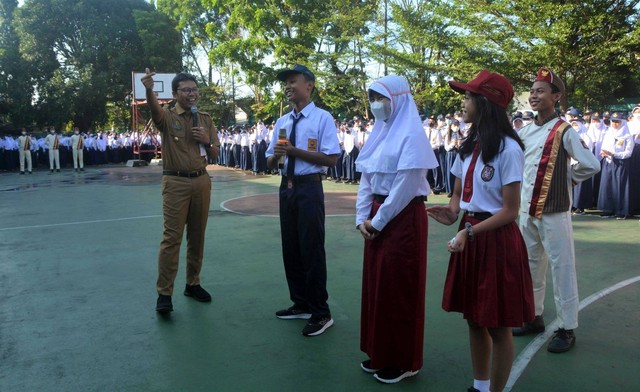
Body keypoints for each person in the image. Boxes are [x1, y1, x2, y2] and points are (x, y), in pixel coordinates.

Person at [428, 70, 534, 392]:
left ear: (484, 103)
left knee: (498, 326)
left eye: (468, 97)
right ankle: (480, 385)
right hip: (470, 235)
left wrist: (468, 233)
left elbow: (510, 210)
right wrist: (449, 214)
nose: (463, 103)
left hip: (495, 240)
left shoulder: (508, 149)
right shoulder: (468, 146)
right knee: (474, 318)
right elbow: (458, 200)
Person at [356, 75, 438, 384]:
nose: (376, 104)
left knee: (400, 287)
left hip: (402, 217)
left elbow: (405, 187)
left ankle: (404, 360)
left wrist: (375, 221)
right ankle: (380, 351)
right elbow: (367, 179)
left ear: (398, 98)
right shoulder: (380, 133)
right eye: (372, 98)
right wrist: (360, 218)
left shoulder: (411, 135)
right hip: (378, 215)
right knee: (378, 285)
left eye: (381, 98)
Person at [514, 68, 600, 353]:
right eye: (533, 90)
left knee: (561, 268)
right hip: (526, 210)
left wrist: (568, 179)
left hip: (553, 210)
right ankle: (533, 316)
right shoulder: (525, 131)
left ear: (556, 96)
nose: (535, 95)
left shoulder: (564, 131)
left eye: (541, 90)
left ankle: (567, 327)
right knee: (530, 264)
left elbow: (591, 164)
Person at [266, 64, 340, 337]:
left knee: (311, 248)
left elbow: (331, 159)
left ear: (309, 85)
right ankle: (301, 303)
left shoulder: (322, 118)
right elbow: (270, 160)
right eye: (285, 83)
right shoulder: (283, 122)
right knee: (291, 247)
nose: (287, 86)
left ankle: (321, 311)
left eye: (292, 81)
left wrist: (294, 151)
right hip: (286, 188)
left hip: (309, 189)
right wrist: (276, 156)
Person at [141, 68, 221, 314]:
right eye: (186, 90)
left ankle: (193, 283)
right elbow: (155, 111)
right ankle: (164, 293)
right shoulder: (167, 117)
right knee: (171, 239)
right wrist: (149, 89)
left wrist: (207, 140)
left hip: (201, 181)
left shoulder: (205, 119)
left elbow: (216, 153)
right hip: (175, 183)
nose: (192, 94)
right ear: (175, 94)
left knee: (197, 237)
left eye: (195, 89)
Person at [597, 112, 634, 219]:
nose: (615, 124)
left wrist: (614, 154)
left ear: (622, 122)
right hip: (608, 161)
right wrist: (603, 153)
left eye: (617, 122)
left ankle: (621, 210)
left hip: (621, 163)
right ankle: (608, 209)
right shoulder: (609, 133)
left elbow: (628, 153)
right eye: (613, 121)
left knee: (620, 186)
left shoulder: (627, 136)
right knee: (607, 185)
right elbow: (604, 146)